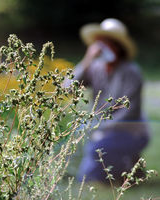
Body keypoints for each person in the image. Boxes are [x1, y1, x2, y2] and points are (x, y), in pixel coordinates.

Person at [64, 18, 150, 184]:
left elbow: (129, 112)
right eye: (101, 43)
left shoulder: (131, 72)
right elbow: (68, 89)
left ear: (119, 47)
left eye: (109, 43)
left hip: (130, 130)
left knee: (97, 149)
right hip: (103, 127)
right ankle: (129, 166)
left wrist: (100, 130)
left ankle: (90, 180)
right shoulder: (95, 67)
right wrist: (87, 60)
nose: (104, 47)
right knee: (75, 141)